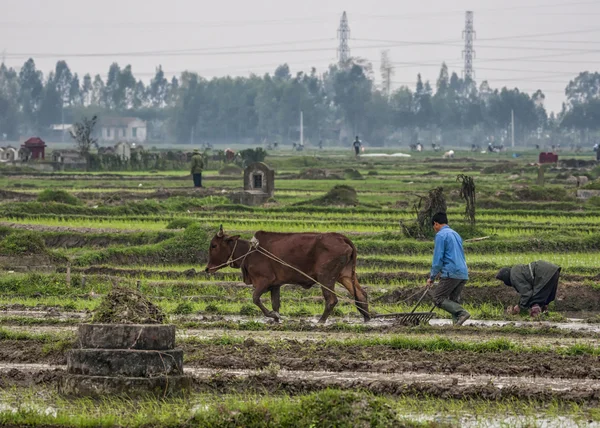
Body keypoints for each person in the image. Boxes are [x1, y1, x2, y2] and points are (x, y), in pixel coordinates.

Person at [427, 212, 471, 326]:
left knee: (438, 298)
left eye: (434, 226)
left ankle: (462, 313)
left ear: (436, 224)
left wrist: (432, 277)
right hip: (463, 272)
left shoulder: (441, 235)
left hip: (451, 272)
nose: (434, 229)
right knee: (453, 300)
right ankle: (457, 325)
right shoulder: (456, 234)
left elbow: (438, 259)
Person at [496, 261, 561, 317]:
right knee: (543, 298)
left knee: (534, 300)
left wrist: (519, 306)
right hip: (554, 271)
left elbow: (527, 294)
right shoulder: (517, 271)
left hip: (545, 274)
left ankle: (535, 318)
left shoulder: (514, 277)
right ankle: (544, 314)